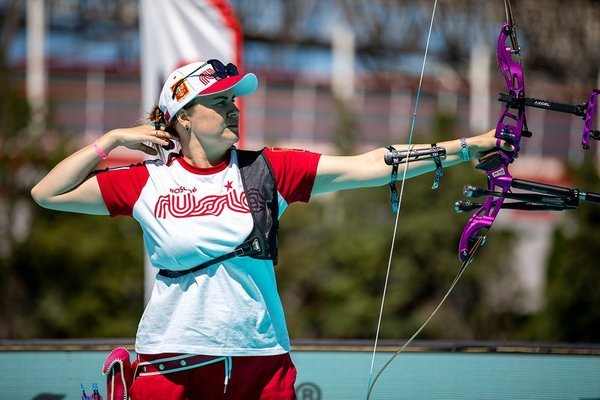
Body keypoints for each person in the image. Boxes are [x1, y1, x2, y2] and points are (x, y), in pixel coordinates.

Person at [31, 59, 507, 400]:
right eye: (220, 102)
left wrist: (470, 147)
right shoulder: (146, 181)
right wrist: (110, 141)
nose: (236, 109)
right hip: (170, 361)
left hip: (261, 362)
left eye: (235, 99)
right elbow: (47, 192)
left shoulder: (268, 169)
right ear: (185, 118)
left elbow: (374, 165)